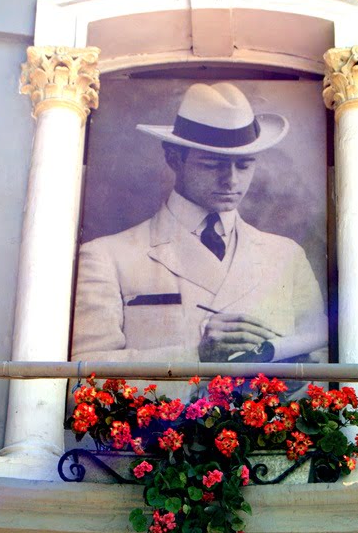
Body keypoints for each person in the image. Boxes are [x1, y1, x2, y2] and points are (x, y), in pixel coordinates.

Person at [71, 82, 327, 365]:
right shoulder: (108, 256)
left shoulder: (286, 255)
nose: (231, 180)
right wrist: (196, 356)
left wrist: (287, 382)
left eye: (244, 165)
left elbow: (320, 364)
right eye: (212, 164)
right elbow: (83, 380)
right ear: (173, 158)